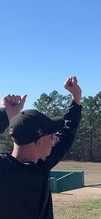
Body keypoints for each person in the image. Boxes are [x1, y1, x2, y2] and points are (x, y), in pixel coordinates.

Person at [0, 76, 82, 219]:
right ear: (38, 142)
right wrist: (5, 115)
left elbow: (66, 135)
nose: (54, 138)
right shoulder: (3, 169)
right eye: (51, 135)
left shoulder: (41, 163)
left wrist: (76, 99)